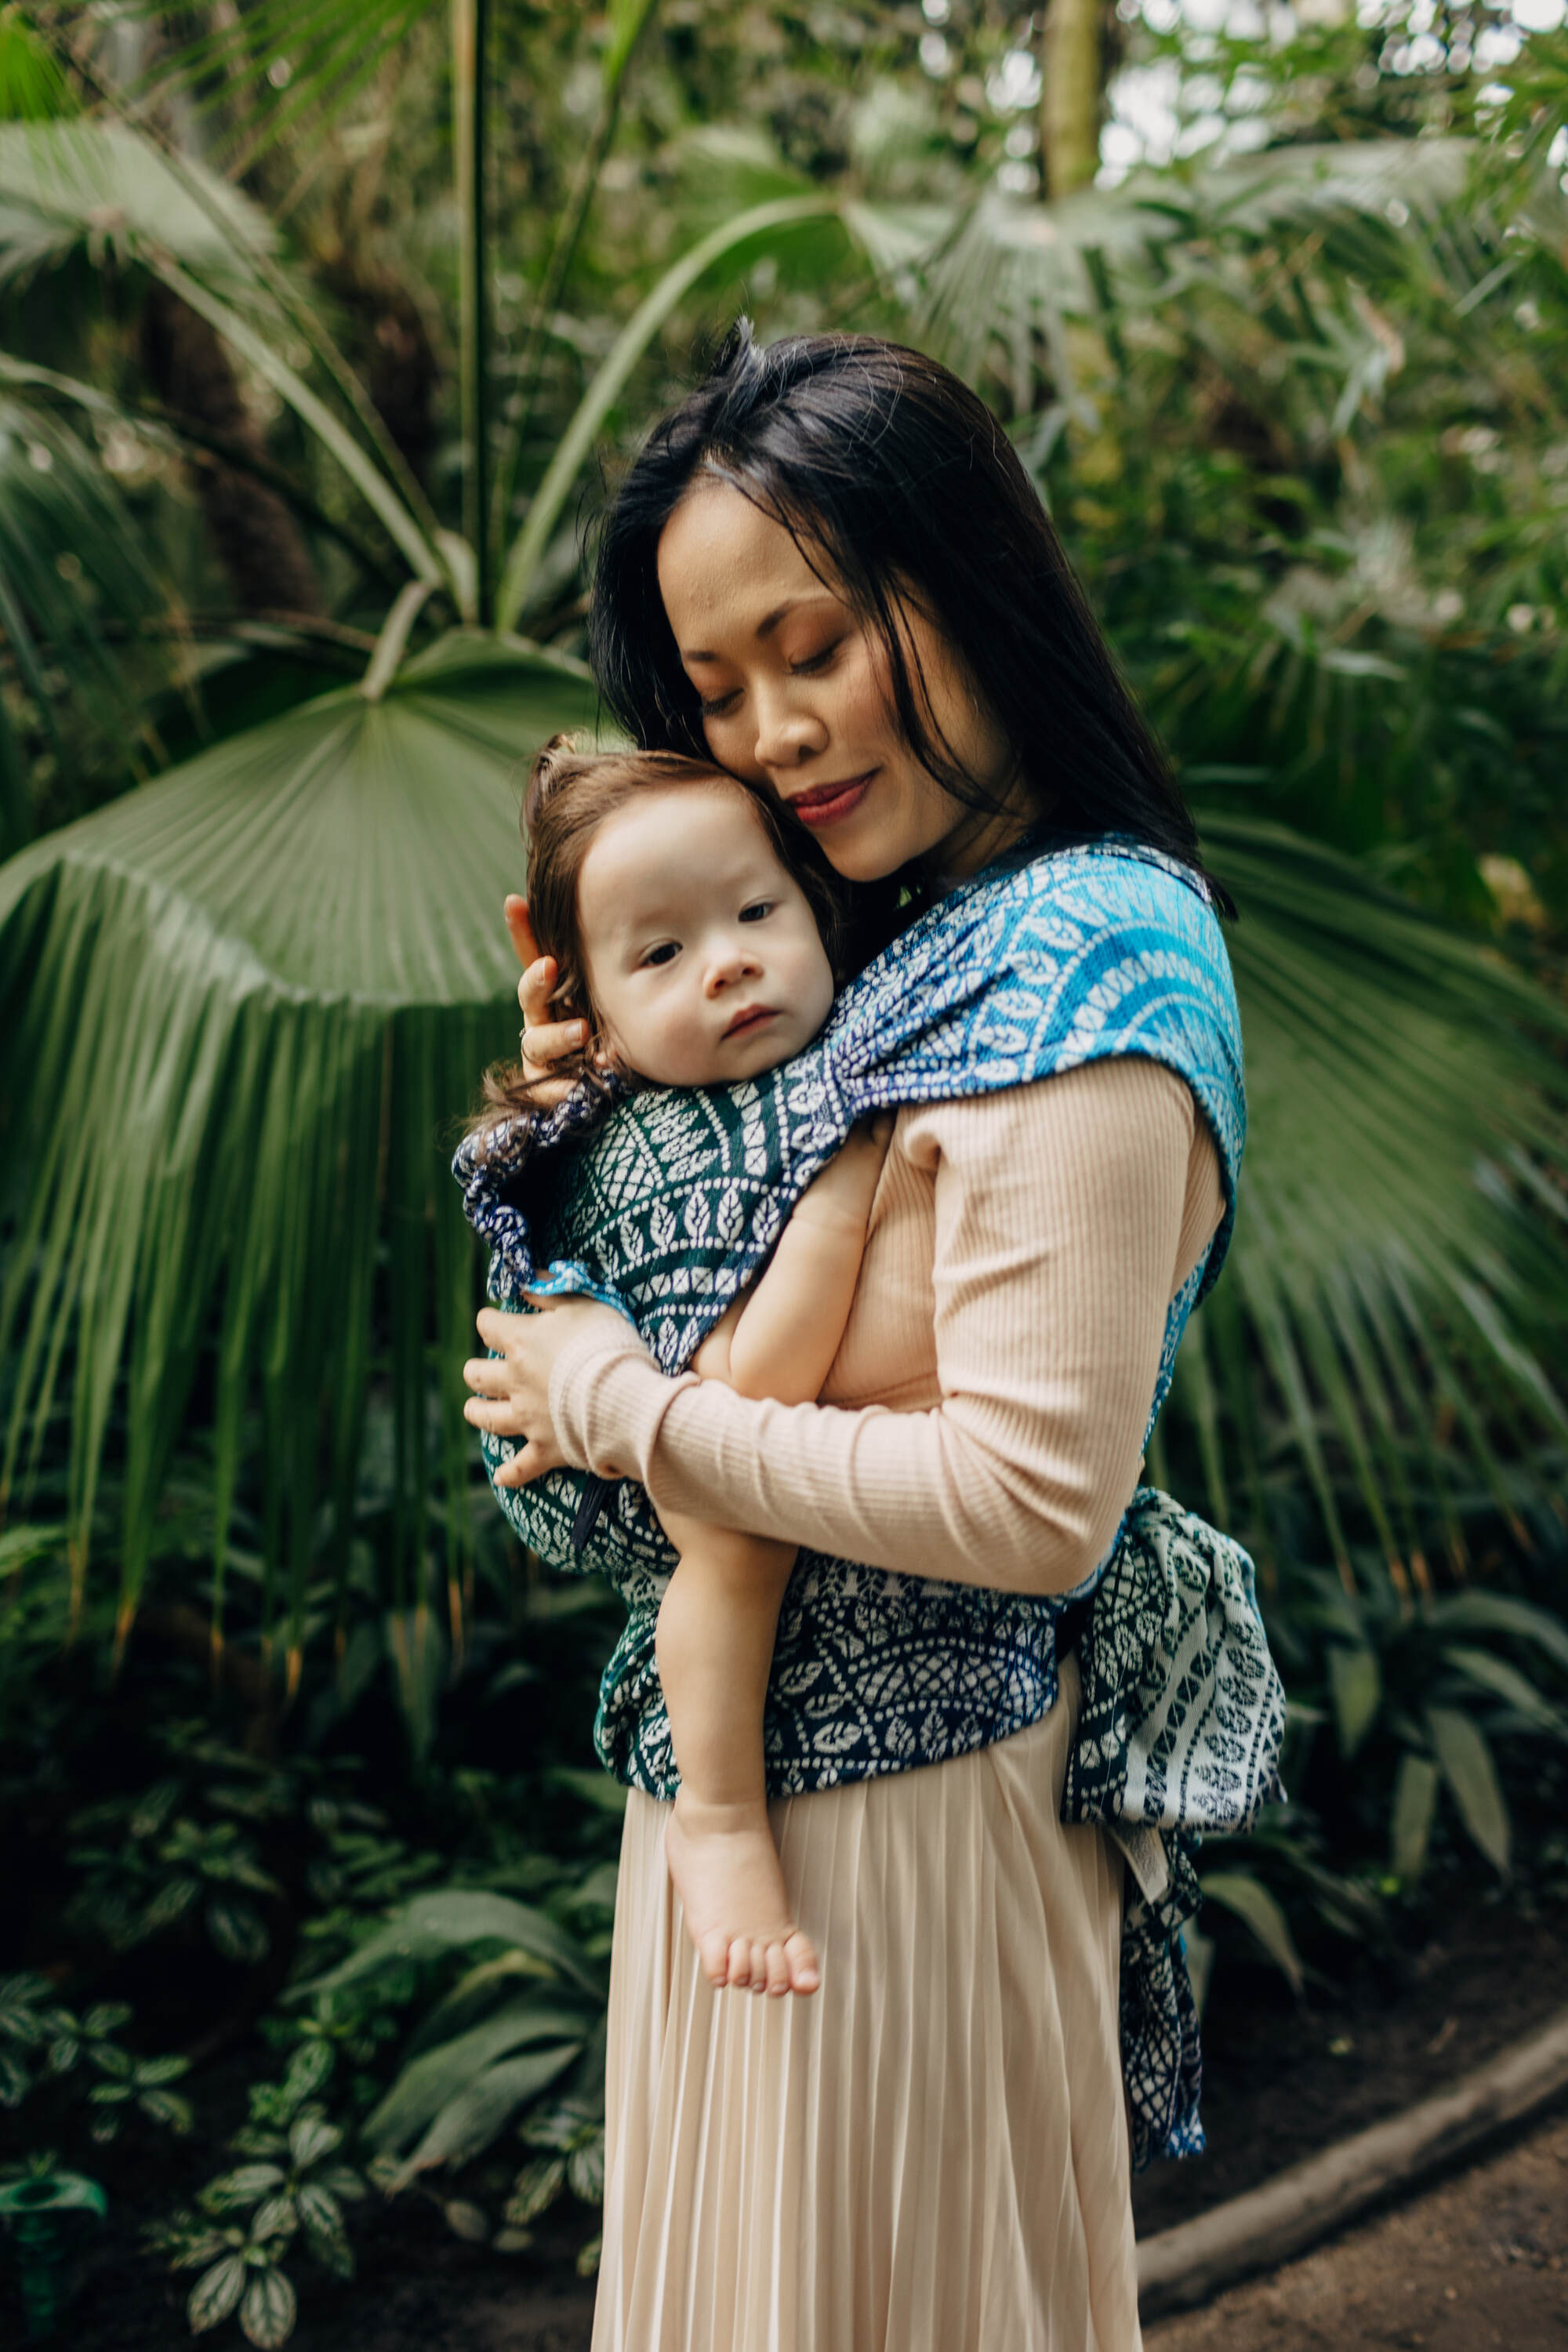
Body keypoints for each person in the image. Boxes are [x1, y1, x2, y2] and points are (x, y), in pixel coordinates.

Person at [462, 327, 1247, 2352]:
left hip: (906, 1838)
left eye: (812, 647)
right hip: (735, 1823)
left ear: (960, 580)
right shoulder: (866, 949)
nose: (774, 733)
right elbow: (562, 1480)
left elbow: (1031, 1504)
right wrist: (587, 1118)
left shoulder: (1089, 966)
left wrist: (626, 1408)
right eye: (716, 689)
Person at [469, 734, 894, 2000]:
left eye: (756, 912)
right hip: (604, 1431)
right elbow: (752, 1392)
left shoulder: (823, 1063)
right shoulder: (654, 1136)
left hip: (645, 1416)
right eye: (662, 954)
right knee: (737, 1534)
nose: (729, 962)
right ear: (594, 1017)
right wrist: (843, 1197)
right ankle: (719, 1814)